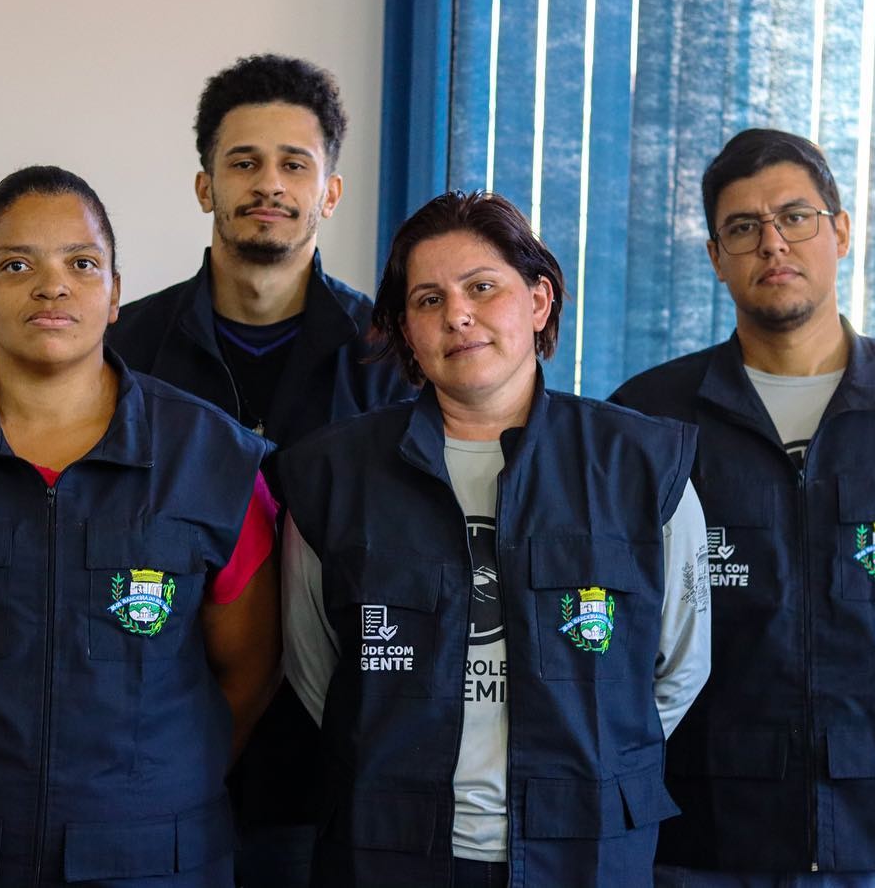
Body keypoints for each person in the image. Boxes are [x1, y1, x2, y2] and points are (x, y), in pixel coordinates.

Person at [0, 166, 280, 887]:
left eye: (82, 263)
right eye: (16, 265)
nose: (52, 286)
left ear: (115, 293)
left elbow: (249, 673)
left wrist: (138, 794)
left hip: (147, 858)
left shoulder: (214, 461)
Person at [611, 128, 875, 886]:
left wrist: (871, 671)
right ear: (716, 257)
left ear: (842, 232)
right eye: (743, 227)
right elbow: (631, 618)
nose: (773, 242)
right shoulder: (648, 418)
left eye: (796, 217)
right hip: (711, 830)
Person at [279, 190, 712, 888]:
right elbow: (314, 670)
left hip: (586, 847)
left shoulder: (642, 467)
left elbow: (680, 666)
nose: (457, 314)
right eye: (428, 300)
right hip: (388, 848)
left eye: (482, 288)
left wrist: (592, 765)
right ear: (407, 332)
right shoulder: (331, 476)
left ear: (538, 302)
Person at [106, 52, 416, 887]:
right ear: (205, 185)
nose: (269, 183)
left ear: (330, 192)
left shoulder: (392, 361)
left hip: (332, 764)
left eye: (294, 164)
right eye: (243, 162)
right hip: (146, 752)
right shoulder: (121, 353)